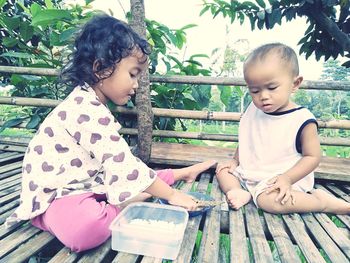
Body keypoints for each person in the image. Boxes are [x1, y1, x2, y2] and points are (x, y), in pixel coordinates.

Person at [5, 14, 216, 252]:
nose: (136, 85)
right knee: (87, 229)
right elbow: (123, 166)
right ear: (101, 69)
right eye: (133, 74)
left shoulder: (91, 103)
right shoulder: (83, 109)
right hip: (55, 197)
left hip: (84, 184)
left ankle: (181, 174)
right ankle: (124, 204)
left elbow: (121, 164)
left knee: (126, 173)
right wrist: (173, 196)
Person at [216, 43, 350, 215]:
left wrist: (287, 178)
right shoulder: (253, 109)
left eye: (272, 88)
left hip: (281, 179)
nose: (263, 96)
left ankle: (321, 202)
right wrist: (235, 161)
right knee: (223, 170)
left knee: (271, 202)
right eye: (254, 90)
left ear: (295, 84)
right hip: (250, 173)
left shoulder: (302, 119)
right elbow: (248, 139)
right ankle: (237, 191)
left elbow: (313, 157)